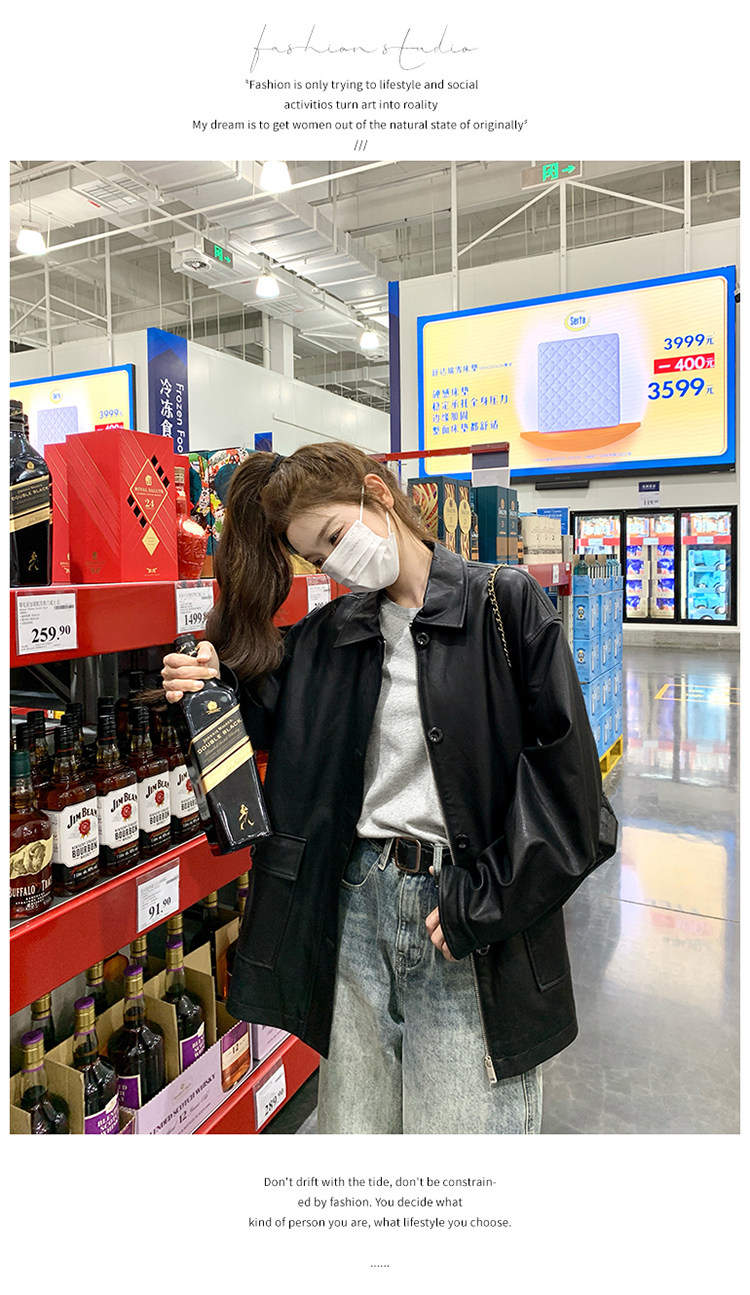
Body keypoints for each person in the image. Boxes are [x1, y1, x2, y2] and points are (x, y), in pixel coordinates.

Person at [161, 443, 606, 1135]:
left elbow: (572, 796)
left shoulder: (504, 605)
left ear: (378, 493)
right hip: (356, 911)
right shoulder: (328, 637)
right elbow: (253, 734)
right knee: (357, 1137)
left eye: (335, 536)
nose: (336, 564)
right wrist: (207, 684)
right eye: (317, 556)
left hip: (464, 920)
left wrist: (484, 904)